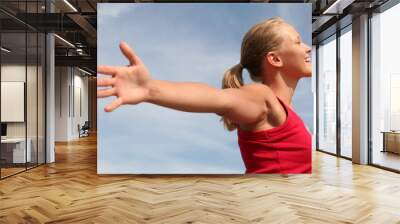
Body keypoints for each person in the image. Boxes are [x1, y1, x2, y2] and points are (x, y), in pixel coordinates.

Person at [97, 17, 312, 174]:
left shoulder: (287, 111)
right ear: (275, 59)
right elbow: (218, 98)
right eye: (298, 41)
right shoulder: (261, 96)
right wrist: (149, 89)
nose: (307, 48)